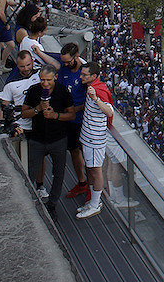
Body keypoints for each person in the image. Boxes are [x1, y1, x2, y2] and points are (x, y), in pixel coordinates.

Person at [21, 66, 74, 221]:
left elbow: (71, 115)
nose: (44, 83)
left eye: (48, 80)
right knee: (30, 171)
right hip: (37, 139)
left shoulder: (63, 92)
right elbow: (24, 113)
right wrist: (38, 109)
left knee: (58, 174)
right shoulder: (33, 91)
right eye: (42, 80)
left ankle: (52, 204)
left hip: (58, 139)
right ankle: (31, 200)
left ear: (55, 78)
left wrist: (55, 115)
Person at [75, 61, 115, 219]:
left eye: (85, 75)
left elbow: (109, 111)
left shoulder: (98, 90)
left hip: (95, 138)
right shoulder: (94, 86)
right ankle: (93, 201)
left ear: (93, 76)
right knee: (90, 169)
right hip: (88, 137)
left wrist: (95, 98)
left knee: (95, 171)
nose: (81, 77)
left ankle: (95, 204)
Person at [57, 43, 88, 199]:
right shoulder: (63, 70)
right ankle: (82, 182)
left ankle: (93, 186)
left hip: (82, 120)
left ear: (77, 57)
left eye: (69, 61)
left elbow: (92, 99)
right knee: (74, 150)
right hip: (68, 120)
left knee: (87, 153)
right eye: (64, 62)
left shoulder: (85, 73)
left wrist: (76, 109)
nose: (66, 64)